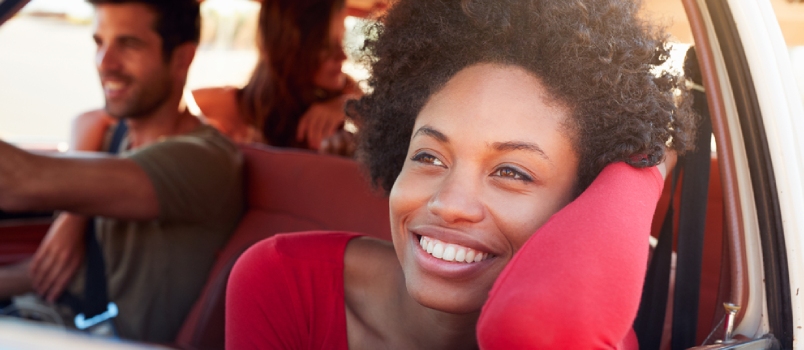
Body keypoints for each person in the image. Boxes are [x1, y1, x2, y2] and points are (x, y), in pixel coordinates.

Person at [225, 0, 699, 348]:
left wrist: (643, 167)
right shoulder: (283, 283)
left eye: (511, 171)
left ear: (581, 202)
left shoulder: (587, 332)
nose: (448, 202)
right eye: (430, 157)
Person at [0, 0, 243, 343]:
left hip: (86, 334)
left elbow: (17, 182)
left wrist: (74, 205)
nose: (105, 63)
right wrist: (75, 213)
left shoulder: (204, 160)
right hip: (42, 317)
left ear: (182, 58)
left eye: (129, 44)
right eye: (99, 43)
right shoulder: (118, 138)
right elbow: (50, 274)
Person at [193, 0, 359, 155]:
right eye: (326, 46)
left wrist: (351, 107)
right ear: (288, 48)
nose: (343, 56)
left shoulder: (352, 96)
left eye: (342, 40)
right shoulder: (238, 107)